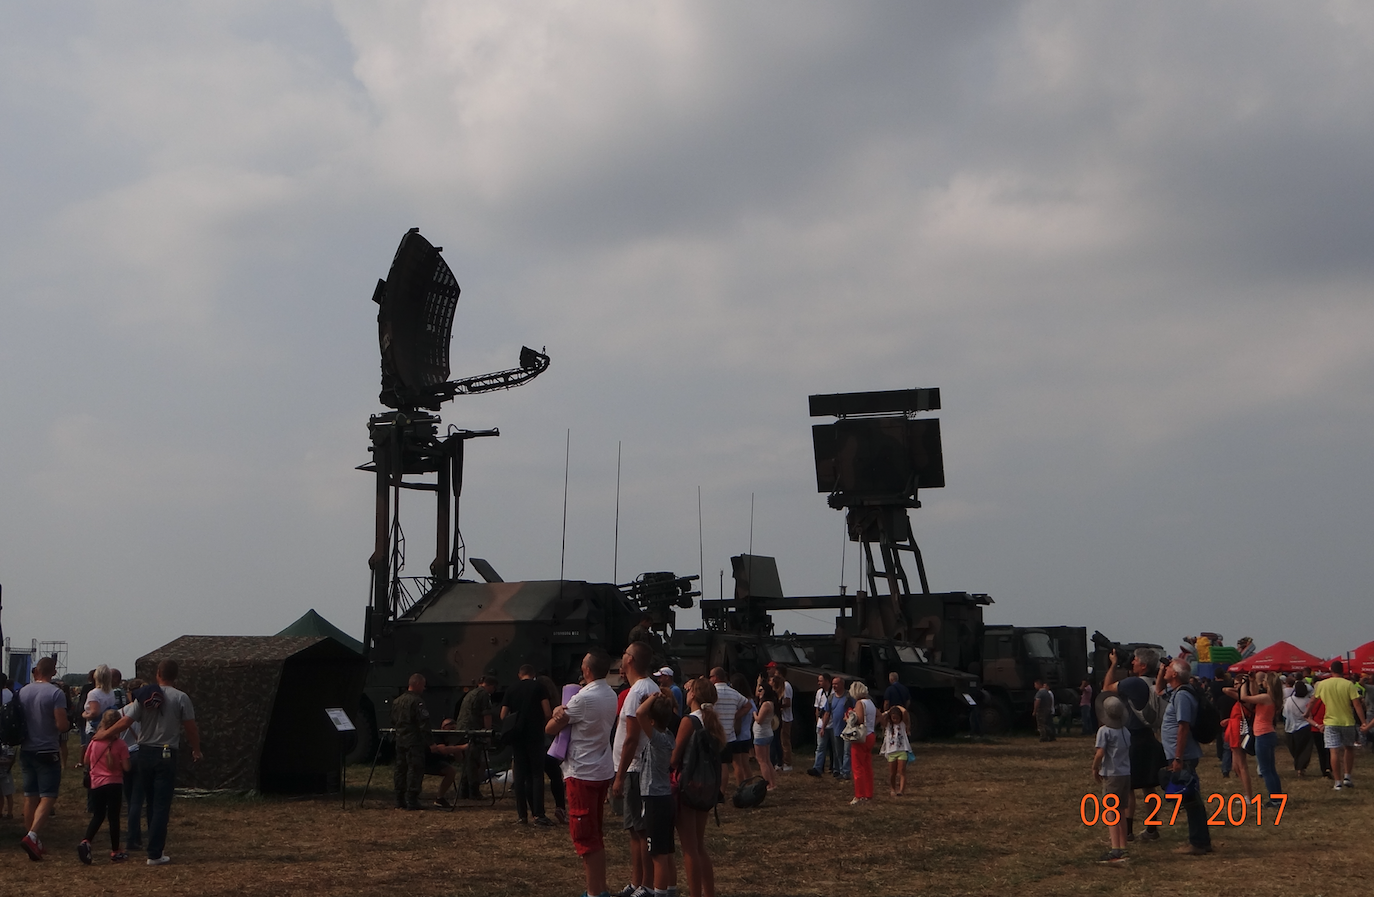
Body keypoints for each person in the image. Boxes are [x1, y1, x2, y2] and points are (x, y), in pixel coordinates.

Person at [92, 659, 201, 866]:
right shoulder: (181, 698)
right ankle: (155, 852)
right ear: (175, 676)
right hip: (167, 754)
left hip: (144, 753)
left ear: (158, 673)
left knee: (149, 802)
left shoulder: (144, 696)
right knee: (161, 804)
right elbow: (191, 728)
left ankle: (152, 847)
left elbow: (125, 721)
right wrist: (196, 749)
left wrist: (105, 733)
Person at [547, 651, 617, 897]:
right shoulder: (611, 694)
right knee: (595, 833)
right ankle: (600, 888)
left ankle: (594, 892)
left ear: (587, 670)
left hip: (581, 771)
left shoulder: (582, 699)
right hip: (601, 768)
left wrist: (559, 709)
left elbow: (551, 726)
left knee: (586, 839)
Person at [1101, 647, 1163, 844]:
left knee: (1129, 787)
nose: (1132, 662)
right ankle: (1152, 829)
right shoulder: (1155, 682)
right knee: (1149, 787)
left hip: (1134, 738)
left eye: (1135, 660)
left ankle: (1127, 831)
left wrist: (1113, 664)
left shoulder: (1134, 682)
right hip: (1150, 736)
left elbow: (1106, 688)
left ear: (1143, 665)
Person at [612, 642, 660, 897]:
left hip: (635, 768)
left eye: (625, 652)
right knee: (634, 828)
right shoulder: (647, 687)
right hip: (637, 767)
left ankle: (647, 885)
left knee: (641, 829)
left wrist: (619, 776)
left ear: (630, 659)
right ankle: (636, 881)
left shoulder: (637, 691)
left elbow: (631, 738)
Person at [18, 655, 69, 861]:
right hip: (47, 749)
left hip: (27, 748)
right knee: (48, 795)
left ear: (37, 671)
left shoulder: (22, 691)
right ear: (54, 672)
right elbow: (61, 725)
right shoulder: (56, 693)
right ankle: (32, 835)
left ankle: (32, 839)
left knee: (30, 795)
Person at [1160, 656, 1211, 856]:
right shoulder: (1177, 692)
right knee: (1189, 798)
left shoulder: (1182, 696)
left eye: (1169, 668)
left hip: (1183, 756)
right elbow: (1158, 691)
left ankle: (1198, 842)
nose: (1165, 670)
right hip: (1179, 755)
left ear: (1175, 674)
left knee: (1190, 799)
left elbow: (1183, 726)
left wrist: (1178, 758)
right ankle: (1199, 840)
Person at [634, 692, 679, 897]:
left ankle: (660, 893)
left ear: (652, 721)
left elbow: (639, 713)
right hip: (665, 798)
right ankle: (670, 890)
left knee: (657, 854)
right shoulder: (669, 735)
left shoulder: (659, 739)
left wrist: (652, 697)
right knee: (667, 851)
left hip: (654, 798)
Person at [503, 663, 554, 826]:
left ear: (520, 675)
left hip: (517, 736)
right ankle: (538, 814)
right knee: (537, 775)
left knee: (520, 776)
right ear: (533, 674)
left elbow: (503, 714)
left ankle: (521, 815)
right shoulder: (539, 687)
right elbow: (547, 711)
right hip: (535, 735)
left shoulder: (511, 689)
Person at [79, 709, 131, 864]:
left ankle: (86, 841)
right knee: (114, 817)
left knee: (98, 815)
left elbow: (87, 761)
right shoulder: (120, 745)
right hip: (114, 783)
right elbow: (127, 767)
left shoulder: (94, 742)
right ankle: (116, 850)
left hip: (96, 783)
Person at [1228, 671, 1283, 807]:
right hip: (1268, 733)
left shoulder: (1265, 697)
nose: (1262, 683)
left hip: (1262, 734)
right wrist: (1252, 682)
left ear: (1268, 684)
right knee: (1271, 769)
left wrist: (1245, 683)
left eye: (1264, 681)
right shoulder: (1272, 698)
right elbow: (1253, 694)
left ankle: (1275, 800)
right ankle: (1277, 797)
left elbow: (1245, 697)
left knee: (1265, 770)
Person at [1314, 660, 1370, 790]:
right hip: (1347, 721)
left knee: (1334, 751)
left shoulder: (1323, 684)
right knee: (1349, 748)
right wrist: (1363, 722)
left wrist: (1307, 714)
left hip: (1330, 721)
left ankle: (1337, 782)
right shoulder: (1348, 684)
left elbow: (1314, 700)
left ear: (1330, 670)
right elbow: (1356, 704)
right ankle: (1347, 776)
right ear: (1342, 670)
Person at [1091, 696, 1131, 864]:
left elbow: (1100, 753)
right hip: (1125, 773)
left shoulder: (1104, 731)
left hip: (1112, 774)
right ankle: (1122, 846)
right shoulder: (1126, 731)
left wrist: (1095, 768)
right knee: (1120, 810)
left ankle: (1115, 850)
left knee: (1111, 811)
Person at [389, 673, 430, 811]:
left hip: (400, 740)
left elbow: (393, 720)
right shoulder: (417, 702)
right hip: (414, 741)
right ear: (417, 684)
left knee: (400, 769)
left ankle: (399, 799)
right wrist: (431, 743)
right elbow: (423, 724)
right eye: (423, 685)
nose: (424, 688)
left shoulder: (397, 701)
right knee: (415, 769)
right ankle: (412, 800)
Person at [707, 668, 750, 793]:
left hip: (715, 732)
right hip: (729, 734)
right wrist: (735, 715)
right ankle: (731, 789)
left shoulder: (712, 692)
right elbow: (747, 705)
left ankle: (718, 791)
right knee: (728, 764)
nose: (709, 679)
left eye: (710, 677)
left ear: (715, 677)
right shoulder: (734, 693)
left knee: (717, 765)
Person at [454, 675, 496, 799]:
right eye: (493, 688)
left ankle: (464, 790)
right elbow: (487, 715)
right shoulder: (484, 695)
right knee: (474, 762)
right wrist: (487, 734)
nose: (493, 691)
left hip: (463, 729)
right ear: (490, 686)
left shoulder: (471, 693)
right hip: (473, 731)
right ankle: (474, 791)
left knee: (468, 761)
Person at [847, 681, 877, 805]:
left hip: (861, 737)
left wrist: (849, 717)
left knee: (857, 766)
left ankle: (859, 795)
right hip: (871, 735)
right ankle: (868, 793)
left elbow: (859, 720)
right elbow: (878, 716)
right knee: (867, 766)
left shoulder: (860, 703)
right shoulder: (870, 702)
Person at [1284, 678, 1316, 775]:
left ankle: (1299, 765)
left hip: (1290, 727)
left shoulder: (1289, 700)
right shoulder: (1308, 701)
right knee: (1304, 749)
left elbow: (1285, 714)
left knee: (1295, 749)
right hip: (1305, 726)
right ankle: (1300, 767)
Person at [751, 681, 777, 791]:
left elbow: (759, 720)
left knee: (762, 761)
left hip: (761, 734)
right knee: (767, 760)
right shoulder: (769, 703)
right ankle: (772, 782)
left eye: (761, 690)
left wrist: (754, 714)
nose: (759, 692)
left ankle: (768, 784)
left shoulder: (766, 704)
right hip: (767, 733)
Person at [880, 705, 911, 797]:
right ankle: (892, 788)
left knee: (902, 771)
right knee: (892, 773)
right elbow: (880, 717)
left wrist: (896, 706)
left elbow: (905, 712)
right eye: (893, 718)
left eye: (897, 718)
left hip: (902, 750)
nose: (896, 720)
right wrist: (888, 711)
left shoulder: (903, 724)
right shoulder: (888, 725)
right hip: (891, 751)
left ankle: (901, 790)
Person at [768, 664, 793, 771]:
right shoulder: (780, 686)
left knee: (785, 741)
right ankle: (781, 761)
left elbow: (788, 702)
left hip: (785, 718)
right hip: (781, 717)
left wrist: (778, 706)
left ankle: (787, 763)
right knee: (779, 740)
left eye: (777, 674)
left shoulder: (786, 686)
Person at [827, 676, 853, 779]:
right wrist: (823, 727)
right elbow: (827, 713)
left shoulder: (849, 697)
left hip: (848, 729)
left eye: (836, 684)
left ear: (842, 684)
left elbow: (855, 710)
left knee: (847, 751)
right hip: (836, 729)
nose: (834, 686)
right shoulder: (831, 698)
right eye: (833, 684)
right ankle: (840, 770)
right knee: (838, 752)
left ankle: (846, 772)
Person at [808, 674, 833, 777]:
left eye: (821, 681)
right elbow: (817, 708)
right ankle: (817, 768)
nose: (819, 683)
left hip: (832, 724)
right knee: (820, 747)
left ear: (827, 681)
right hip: (821, 724)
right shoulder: (819, 693)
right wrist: (818, 720)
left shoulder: (833, 692)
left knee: (834, 749)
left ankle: (835, 768)